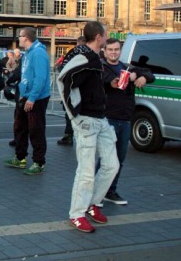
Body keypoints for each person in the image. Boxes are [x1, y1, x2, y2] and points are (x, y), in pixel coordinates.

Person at [56, 21, 119, 233]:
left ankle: (92, 204)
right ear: (99, 37)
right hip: (86, 121)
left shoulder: (92, 57)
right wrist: (74, 115)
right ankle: (77, 213)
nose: (107, 35)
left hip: (100, 119)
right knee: (86, 171)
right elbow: (63, 80)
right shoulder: (83, 56)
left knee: (112, 165)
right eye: (106, 34)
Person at [100, 38, 154, 205]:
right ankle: (97, 191)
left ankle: (111, 191)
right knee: (105, 159)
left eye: (116, 49)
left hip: (125, 119)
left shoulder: (127, 67)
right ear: (104, 51)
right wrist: (123, 79)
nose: (113, 52)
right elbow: (107, 80)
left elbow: (150, 74)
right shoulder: (101, 67)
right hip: (108, 118)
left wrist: (143, 77)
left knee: (119, 159)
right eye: (110, 49)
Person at [5, 27, 51, 175]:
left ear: (26, 38)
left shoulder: (38, 53)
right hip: (25, 96)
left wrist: (32, 98)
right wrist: (11, 75)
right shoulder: (28, 53)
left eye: (20, 36)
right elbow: (24, 72)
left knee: (36, 130)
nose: (18, 39)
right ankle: (20, 158)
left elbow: (40, 78)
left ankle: (39, 162)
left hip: (35, 98)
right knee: (20, 127)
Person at [57, 36, 87, 146]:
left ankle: (69, 136)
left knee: (70, 113)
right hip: (85, 91)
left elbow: (62, 70)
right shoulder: (92, 55)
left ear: (78, 43)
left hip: (72, 89)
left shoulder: (72, 54)